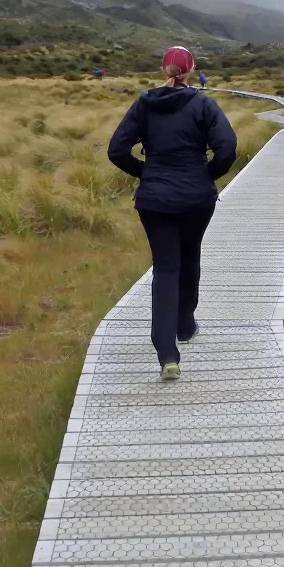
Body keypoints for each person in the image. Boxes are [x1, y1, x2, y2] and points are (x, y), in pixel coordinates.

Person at [107, 46, 237, 381]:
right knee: (190, 256)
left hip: (155, 201)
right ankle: (185, 325)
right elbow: (227, 148)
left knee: (165, 267)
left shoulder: (145, 104)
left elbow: (116, 150)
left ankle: (167, 354)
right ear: (191, 71)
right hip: (197, 198)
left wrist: (147, 173)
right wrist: (205, 176)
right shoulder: (203, 105)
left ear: (164, 70)